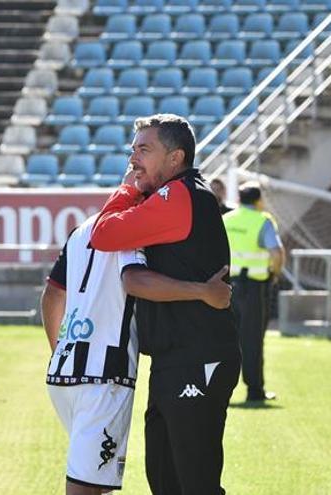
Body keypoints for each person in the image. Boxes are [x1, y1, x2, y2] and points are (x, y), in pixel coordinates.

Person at [89, 114, 241, 495]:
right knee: (166, 480)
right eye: (133, 149)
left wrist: (128, 191)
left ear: (175, 158)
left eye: (144, 149)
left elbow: (104, 234)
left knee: (195, 484)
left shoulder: (181, 195)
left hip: (198, 356)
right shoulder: (171, 195)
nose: (133, 159)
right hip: (175, 359)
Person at [41, 213, 230, 494]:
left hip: (65, 373)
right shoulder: (131, 232)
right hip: (104, 378)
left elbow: (53, 295)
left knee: (95, 477)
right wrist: (203, 292)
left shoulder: (83, 229)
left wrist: (62, 353)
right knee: (85, 486)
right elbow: (137, 281)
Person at [222, 182, 283, 402]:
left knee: (224, 340)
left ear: (238, 199)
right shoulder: (262, 221)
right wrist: (275, 273)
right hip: (253, 288)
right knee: (252, 340)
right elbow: (276, 253)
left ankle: (218, 390)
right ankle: (254, 391)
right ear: (258, 201)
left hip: (224, 287)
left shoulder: (226, 219)